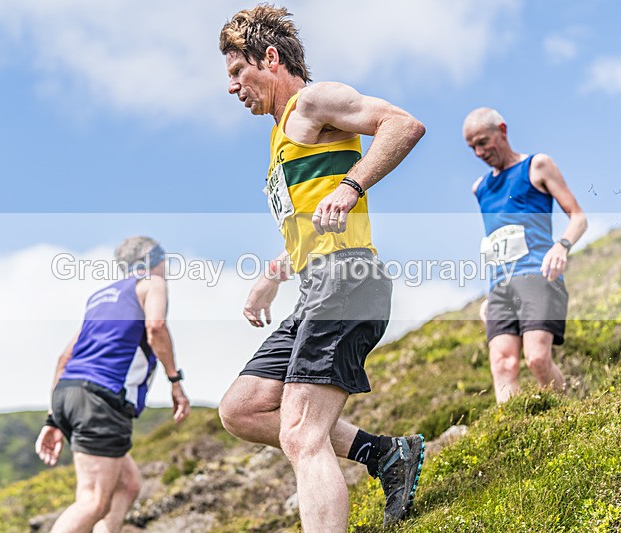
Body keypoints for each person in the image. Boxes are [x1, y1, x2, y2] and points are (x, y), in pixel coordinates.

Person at [217, 6, 426, 531]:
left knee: (301, 434)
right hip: (317, 285)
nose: (232, 88)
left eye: (237, 72)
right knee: (241, 408)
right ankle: (386, 455)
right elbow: (315, 221)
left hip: (348, 280)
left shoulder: (313, 100)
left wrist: (351, 185)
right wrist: (275, 271)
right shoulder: (279, 136)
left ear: (269, 58)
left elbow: (403, 124)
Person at [35, 236, 191, 533]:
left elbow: (64, 357)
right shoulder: (152, 284)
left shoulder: (100, 297)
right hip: (101, 398)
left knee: (128, 484)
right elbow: (155, 327)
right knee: (92, 501)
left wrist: (53, 419)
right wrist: (175, 381)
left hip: (69, 393)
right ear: (156, 258)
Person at [464, 107, 587, 404]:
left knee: (537, 359)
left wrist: (562, 246)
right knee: (502, 365)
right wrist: (489, 293)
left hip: (537, 274)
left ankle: (570, 415)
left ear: (502, 130)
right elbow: (495, 240)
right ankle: (512, 431)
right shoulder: (479, 188)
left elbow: (579, 217)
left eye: (483, 142)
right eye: (472, 147)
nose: (479, 152)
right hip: (500, 286)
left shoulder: (537, 165)